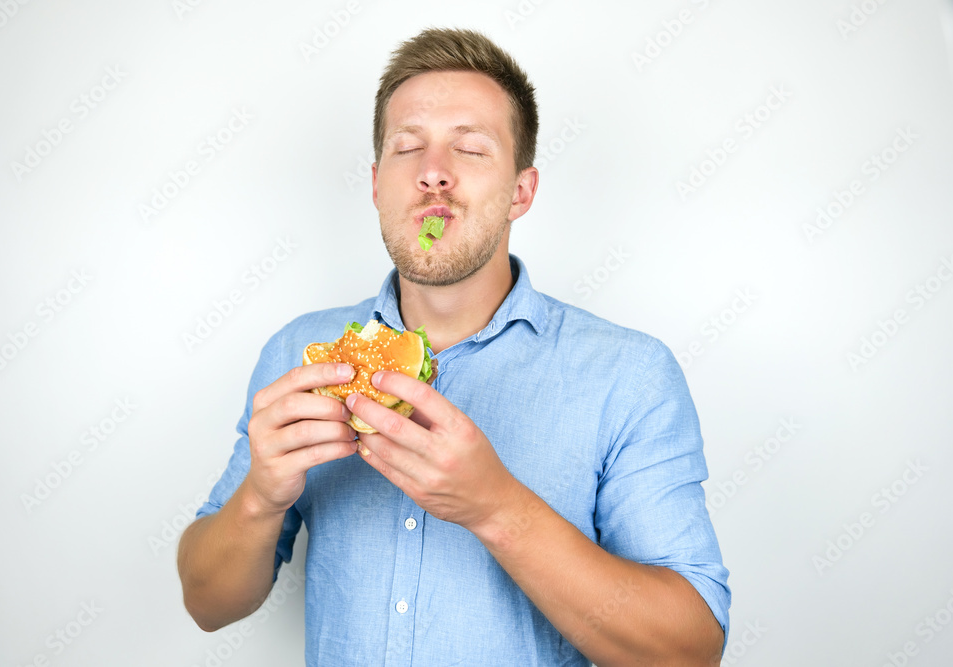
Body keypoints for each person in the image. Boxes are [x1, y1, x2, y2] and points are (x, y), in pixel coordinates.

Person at [178, 27, 731, 666]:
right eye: (408, 148)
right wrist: (258, 497)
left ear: (521, 192)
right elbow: (207, 603)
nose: (433, 174)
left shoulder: (629, 375)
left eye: (468, 149)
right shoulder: (302, 354)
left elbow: (689, 652)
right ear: (378, 183)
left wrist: (496, 507)